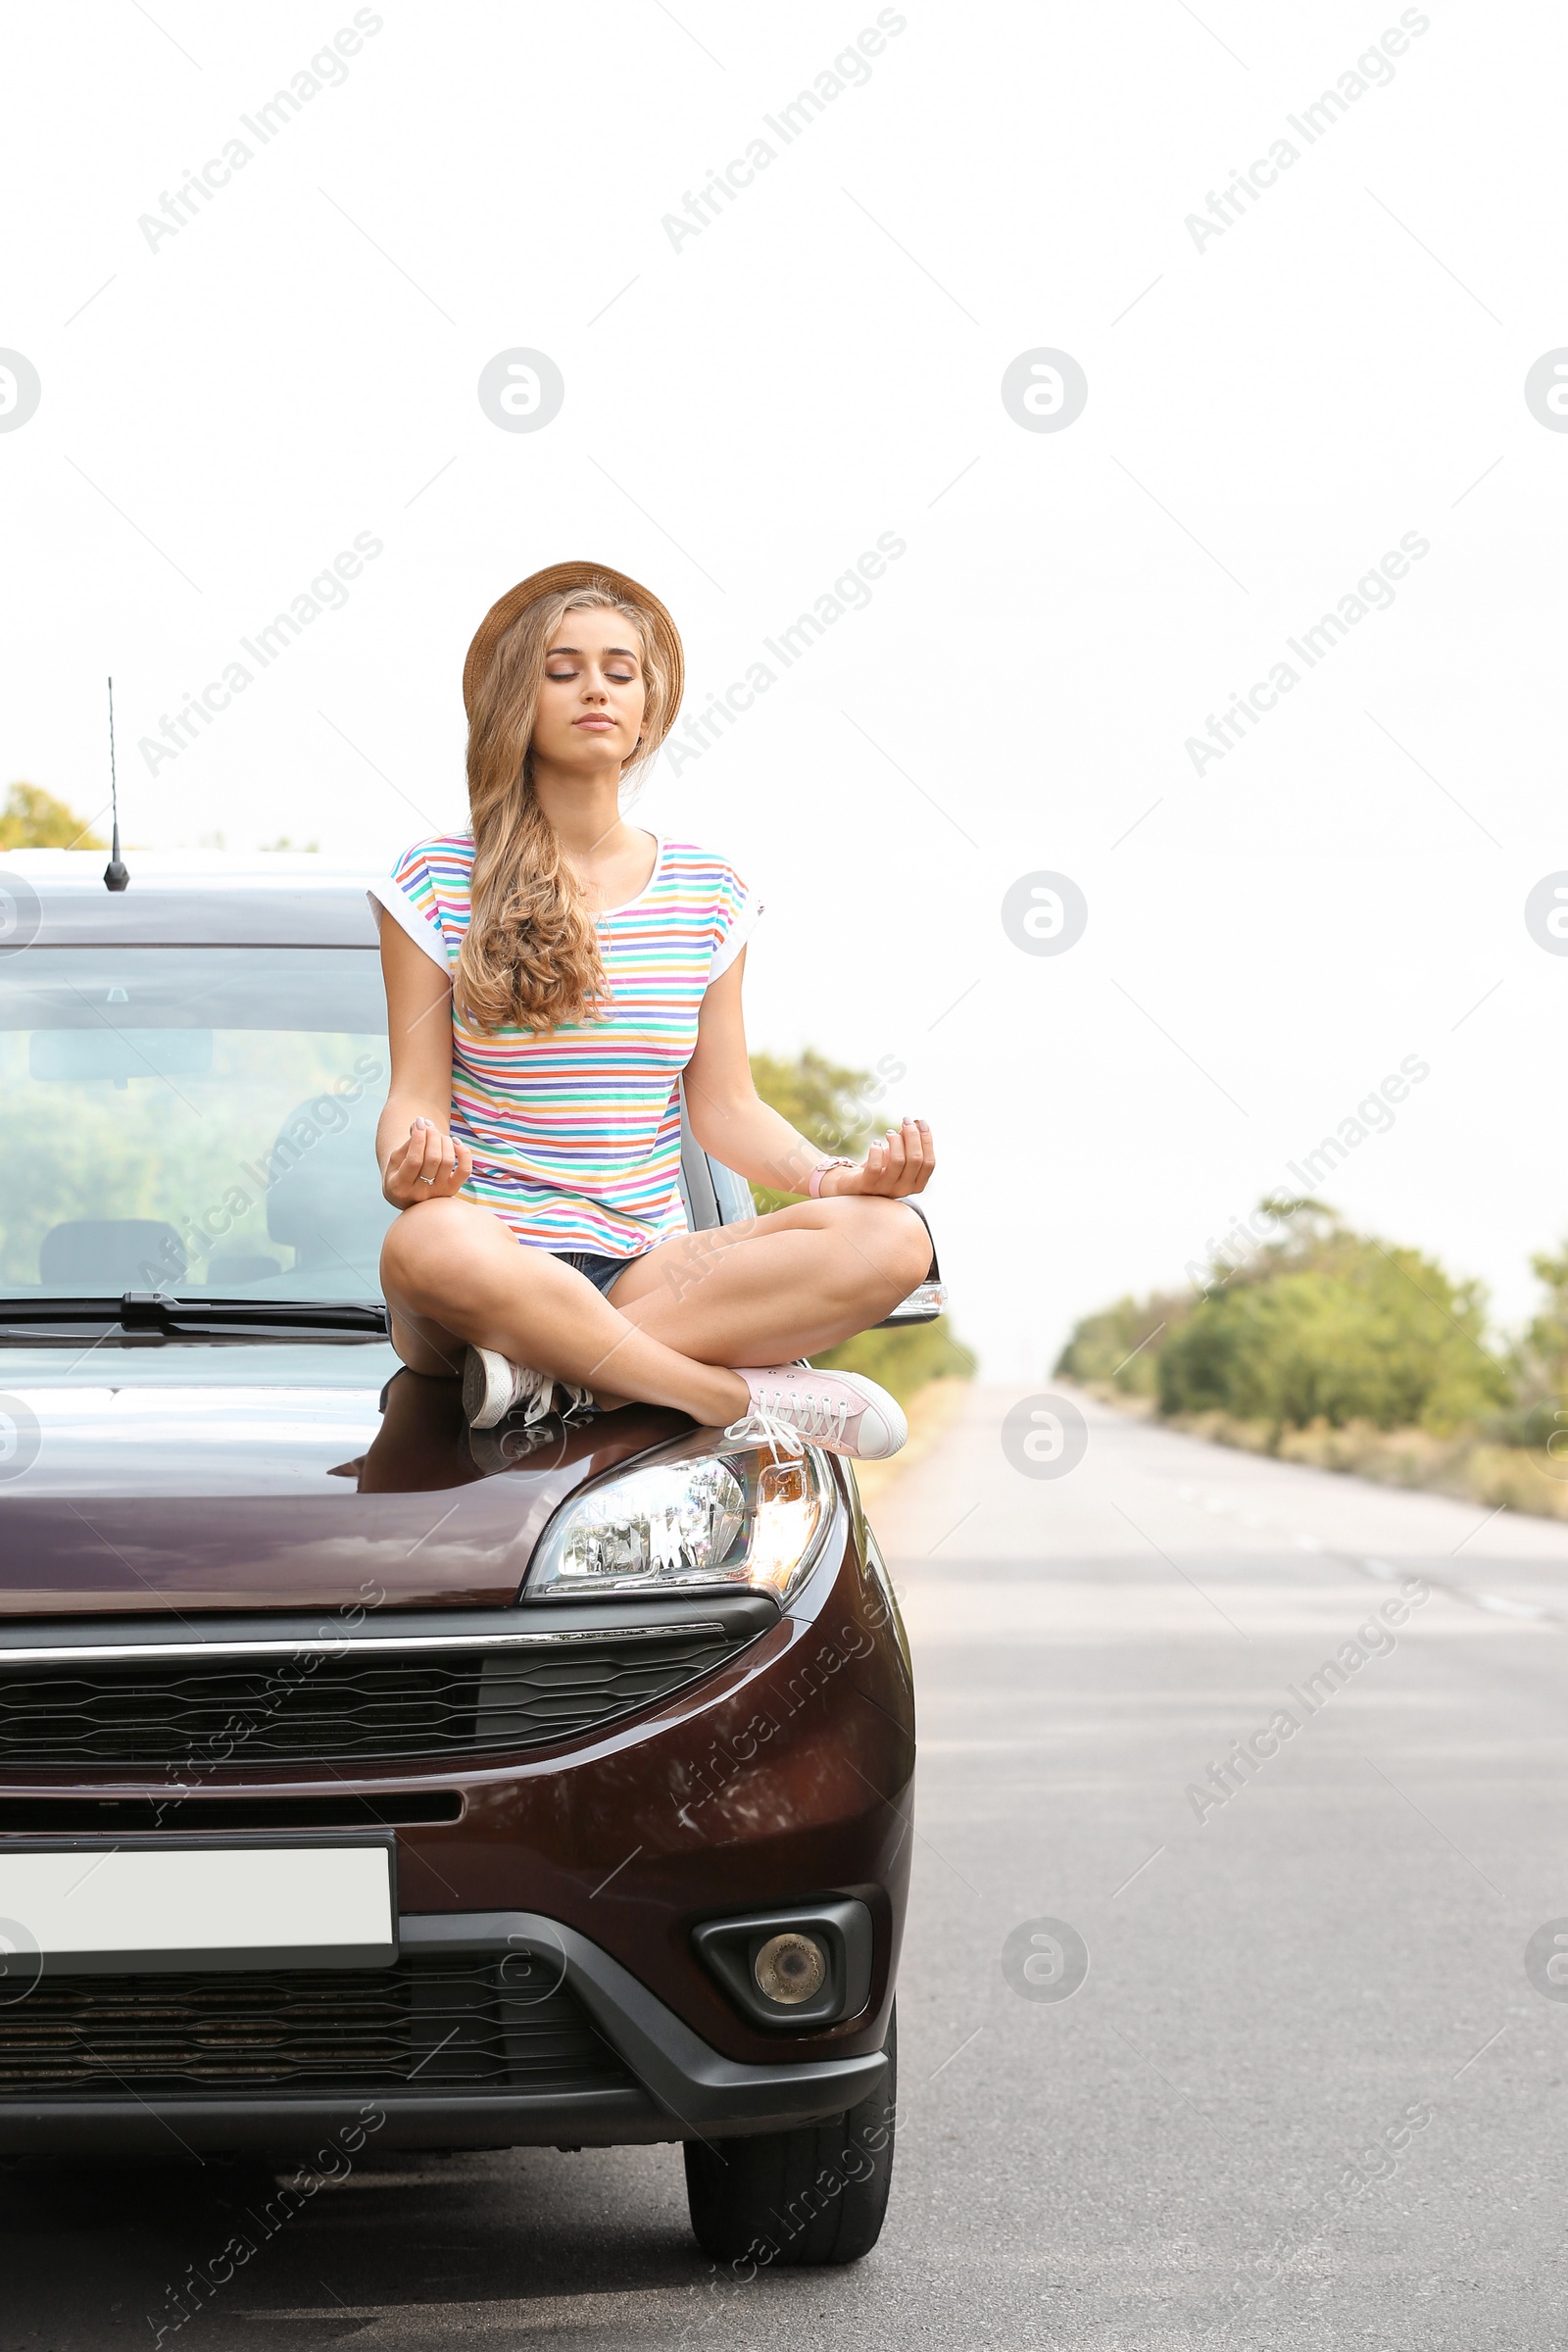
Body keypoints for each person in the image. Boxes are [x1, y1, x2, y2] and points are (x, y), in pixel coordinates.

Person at [368, 562, 936, 1462]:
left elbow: (725, 1109)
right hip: (490, 1272)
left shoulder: (709, 891)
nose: (595, 687)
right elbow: (415, 1094)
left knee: (895, 1241)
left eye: (619, 671)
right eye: (563, 670)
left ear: (648, 708)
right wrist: (410, 1164)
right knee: (426, 1243)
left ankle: (553, 1370)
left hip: (649, 1274)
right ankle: (727, 1394)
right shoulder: (434, 877)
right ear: (520, 698)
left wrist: (836, 1178)